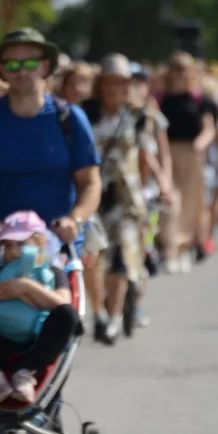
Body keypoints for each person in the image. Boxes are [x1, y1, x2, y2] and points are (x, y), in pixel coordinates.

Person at [0, 28, 101, 254]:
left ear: (45, 66)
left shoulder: (70, 118)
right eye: (13, 65)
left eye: (30, 63)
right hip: (2, 248)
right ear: (2, 70)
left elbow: (90, 182)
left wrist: (75, 219)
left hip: (59, 247)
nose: (21, 71)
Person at [0, 211, 79, 405]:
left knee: (67, 315)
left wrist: (27, 288)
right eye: (9, 245)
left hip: (35, 341)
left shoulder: (53, 271)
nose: (13, 251)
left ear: (40, 244)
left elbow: (62, 302)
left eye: (21, 244)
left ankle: (26, 372)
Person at [86, 55, 158, 345]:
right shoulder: (85, 113)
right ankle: (99, 313)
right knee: (92, 256)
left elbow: (145, 155)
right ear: (100, 84)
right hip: (93, 194)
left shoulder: (140, 115)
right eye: (109, 82)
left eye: (120, 82)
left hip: (126, 197)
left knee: (123, 255)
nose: (114, 88)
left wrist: (148, 186)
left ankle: (114, 318)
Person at [158, 51, 217, 270]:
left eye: (184, 68)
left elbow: (209, 128)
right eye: (176, 68)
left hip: (191, 154)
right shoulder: (161, 99)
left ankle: (185, 247)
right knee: (172, 201)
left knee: (192, 204)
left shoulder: (199, 99)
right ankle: (170, 248)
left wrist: (201, 142)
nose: (180, 73)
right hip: (166, 154)